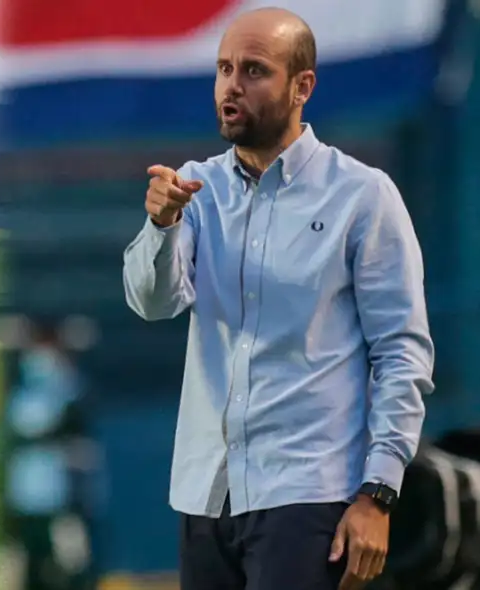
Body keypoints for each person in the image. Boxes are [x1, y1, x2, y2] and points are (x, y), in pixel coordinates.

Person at [122, 7, 434, 590]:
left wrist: (378, 494)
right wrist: (160, 227)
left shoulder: (362, 197)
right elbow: (151, 303)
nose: (231, 85)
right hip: (205, 492)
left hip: (309, 496)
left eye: (254, 70)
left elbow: (402, 355)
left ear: (302, 87)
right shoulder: (196, 188)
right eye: (223, 69)